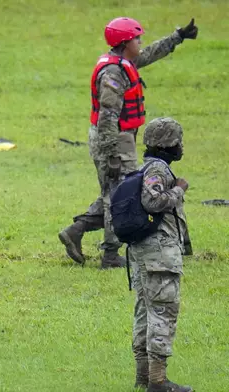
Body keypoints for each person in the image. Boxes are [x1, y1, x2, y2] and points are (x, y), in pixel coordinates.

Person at [59, 17, 198, 269]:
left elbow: (149, 54)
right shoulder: (112, 73)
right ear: (124, 43)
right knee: (118, 196)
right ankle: (110, 254)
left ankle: (76, 230)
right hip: (114, 139)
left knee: (119, 192)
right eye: (137, 38)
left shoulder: (124, 63)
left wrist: (177, 37)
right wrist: (112, 153)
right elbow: (107, 116)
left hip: (121, 138)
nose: (140, 42)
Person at [128, 118, 191, 392]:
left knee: (145, 312)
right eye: (178, 141)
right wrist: (178, 190)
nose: (181, 146)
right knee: (162, 312)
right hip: (159, 255)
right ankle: (158, 381)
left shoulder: (146, 168)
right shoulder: (157, 170)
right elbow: (152, 202)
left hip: (144, 254)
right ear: (168, 144)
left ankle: (144, 377)